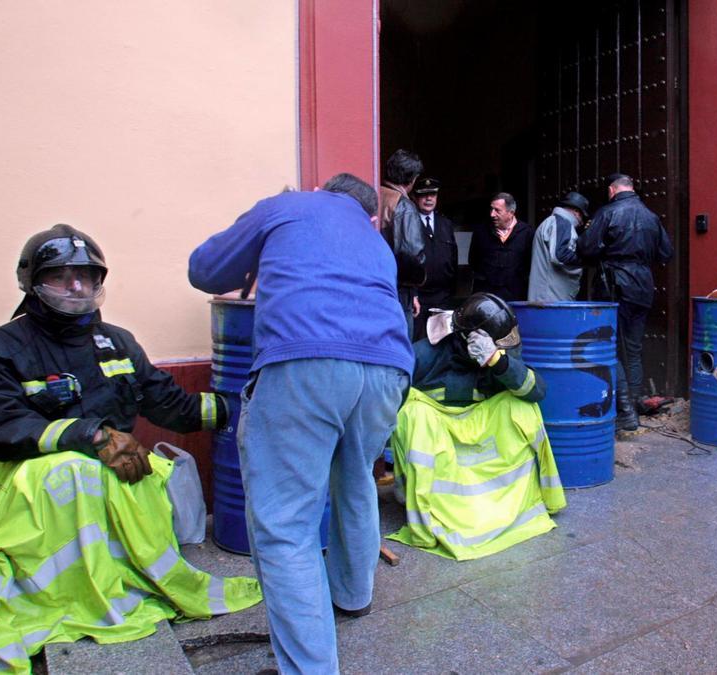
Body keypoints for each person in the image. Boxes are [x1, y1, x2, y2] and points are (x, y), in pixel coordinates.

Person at [0, 225, 261, 673]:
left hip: (118, 473)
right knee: (71, 469)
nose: (75, 287)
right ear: (32, 283)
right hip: (34, 483)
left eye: (86, 277)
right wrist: (89, 436)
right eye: (61, 276)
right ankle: (62, 593)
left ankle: (122, 577)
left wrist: (241, 409)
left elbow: (172, 404)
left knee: (140, 472)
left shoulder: (118, 343)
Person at [188, 174, 412, 673]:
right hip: (388, 372)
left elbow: (203, 269)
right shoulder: (376, 243)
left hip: (305, 363)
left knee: (286, 522)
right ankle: (353, 596)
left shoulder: (286, 207)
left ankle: (310, 668)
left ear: (320, 190)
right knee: (355, 478)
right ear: (370, 213)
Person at [387, 293, 565, 560]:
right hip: (441, 433)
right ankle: (420, 505)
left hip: (479, 431)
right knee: (411, 413)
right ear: (468, 337)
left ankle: (531, 502)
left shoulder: (497, 352)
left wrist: (498, 361)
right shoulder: (428, 352)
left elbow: (536, 390)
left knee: (523, 407)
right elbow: (388, 390)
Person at [577, 173, 674, 431]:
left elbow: (585, 249)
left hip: (614, 286)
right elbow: (666, 252)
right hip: (642, 286)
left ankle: (626, 411)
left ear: (611, 190)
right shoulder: (651, 217)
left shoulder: (608, 213)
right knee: (633, 349)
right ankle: (634, 402)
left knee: (610, 346)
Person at [379, 149, 428, 337]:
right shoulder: (404, 206)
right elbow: (412, 256)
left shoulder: (374, 194)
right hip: (398, 292)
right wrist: (415, 286)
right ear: (412, 179)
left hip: (377, 285)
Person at [411, 176, 459, 340]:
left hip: (442, 297)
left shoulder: (445, 224)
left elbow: (453, 258)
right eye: (424, 195)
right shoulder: (410, 222)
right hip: (419, 297)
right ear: (415, 197)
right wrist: (413, 293)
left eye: (432, 194)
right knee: (418, 343)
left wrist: (451, 291)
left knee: (443, 343)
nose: (429, 198)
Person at [469, 192, 533, 302]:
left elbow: (529, 264)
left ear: (511, 213)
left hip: (515, 297)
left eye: (497, 210)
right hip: (486, 298)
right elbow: (474, 260)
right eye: (491, 209)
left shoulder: (527, 233)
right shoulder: (481, 232)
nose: (492, 214)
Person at [528, 191, 589, 302]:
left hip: (545, 296)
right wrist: (586, 259)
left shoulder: (551, 221)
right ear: (576, 212)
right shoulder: (563, 223)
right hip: (553, 298)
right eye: (582, 217)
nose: (581, 223)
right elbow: (560, 256)